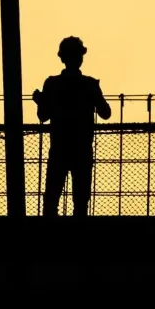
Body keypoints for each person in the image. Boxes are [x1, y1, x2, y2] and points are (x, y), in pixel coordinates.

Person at [34, 36, 111, 217]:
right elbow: (106, 113)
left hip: (59, 148)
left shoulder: (52, 84)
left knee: (51, 200)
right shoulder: (90, 85)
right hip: (82, 149)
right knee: (81, 202)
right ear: (81, 57)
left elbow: (43, 116)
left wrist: (41, 101)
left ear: (62, 57)